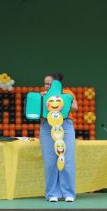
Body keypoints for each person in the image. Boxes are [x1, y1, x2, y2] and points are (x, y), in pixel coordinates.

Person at [40, 73, 78, 202]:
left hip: (65, 125)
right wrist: (41, 101)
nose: (46, 86)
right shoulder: (43, 95)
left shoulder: (67, 93)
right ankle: (52, 194)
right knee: (50, 161)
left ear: (57, 84)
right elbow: (34, 111)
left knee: (66, 158)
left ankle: (68, 193)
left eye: (49, 83)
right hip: (47, 126)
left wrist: (61, 101)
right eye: (45, 83)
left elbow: (75, 108)